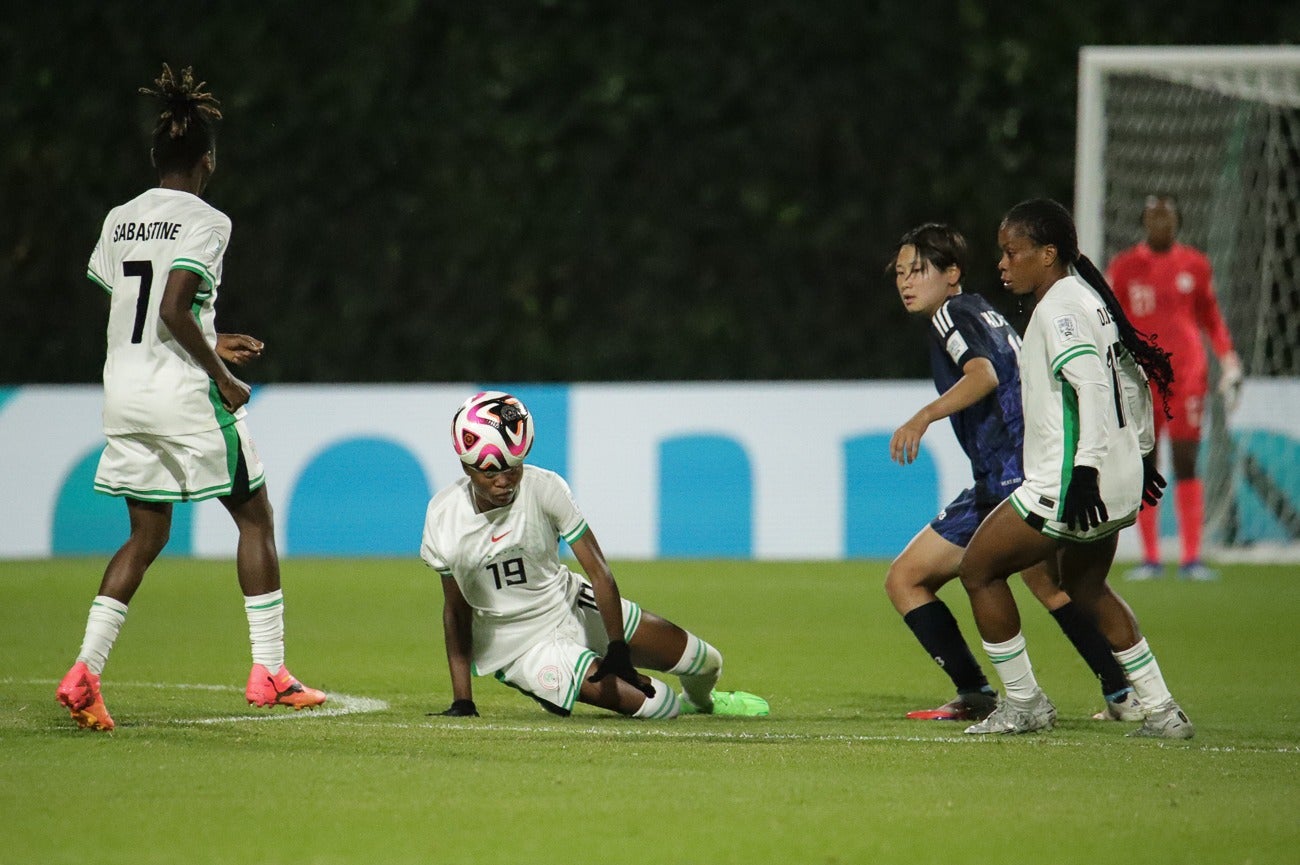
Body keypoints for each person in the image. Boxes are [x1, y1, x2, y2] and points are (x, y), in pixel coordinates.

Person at [55, 64, 325, 732]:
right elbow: (175, 305)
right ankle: (270, 671)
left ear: (156, 158)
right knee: (256, 515)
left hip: (125, 391)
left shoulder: (121, 219)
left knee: (145, 536)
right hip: (183, 396)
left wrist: (212, 333)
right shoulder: (208, 220)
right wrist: (222, 376)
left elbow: (136, 303)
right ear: (207, 161)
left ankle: (84, 671)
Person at [885, 223, 1141, 723]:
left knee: (923, 579)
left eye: (918, 270)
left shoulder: (951, 315)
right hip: (1011, 470)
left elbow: (984, 374)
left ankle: (1020, 698)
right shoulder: (983, 309)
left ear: (952, 272)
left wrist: (924, 415)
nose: (906, 282)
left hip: (1014, 473)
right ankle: (1118, 694)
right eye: (899, 273)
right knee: (1045, 584)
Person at [958, 197, 1192, 739]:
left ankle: (1023, 703)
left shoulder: (1059, 308)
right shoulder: (1092, 299)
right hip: (1116, 477)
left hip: (1069, 483)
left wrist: (1084, 471)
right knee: (1087, 588)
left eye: (1012, 251)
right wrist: (1144, 451)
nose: (1003, 263)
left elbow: (1089, 383)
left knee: (978, 571)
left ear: (1047, 253)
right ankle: (1161, 709)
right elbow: (1132, 375)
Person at [421, 391, 769, 720]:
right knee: (659, 706)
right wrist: (463, 700)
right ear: (467, 467)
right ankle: (546, 682)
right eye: (491, 472)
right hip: (520, 647)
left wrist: (617, 649)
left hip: (568, 603)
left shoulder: (545, 489)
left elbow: (600, 572)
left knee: (706, 661)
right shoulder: (443, 520)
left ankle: (700, 702)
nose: (505, 482)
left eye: (513, 468)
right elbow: (456, 610)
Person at [1107, 194, 1242, 582]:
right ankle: (1150, 557)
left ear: (1177, 222)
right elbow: (1108, 319)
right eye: (1152, 216)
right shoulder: (1125, 267)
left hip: (1187, 376)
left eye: (1165, 216)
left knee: (1186, 459)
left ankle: (1191, 556)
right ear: (1144, 222)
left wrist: (1228, 360)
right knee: (1146, 462)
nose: (1159, 223)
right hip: (1142, 377)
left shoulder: (1195, 266)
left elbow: (1211, 317)